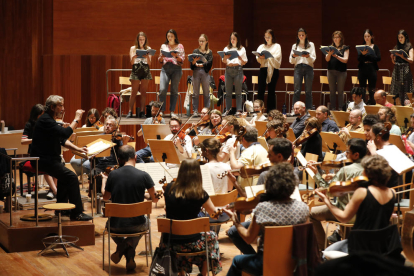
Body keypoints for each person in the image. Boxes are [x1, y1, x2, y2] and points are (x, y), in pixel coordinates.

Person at [224, 163, 309, 276]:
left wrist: (236, 222)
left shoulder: (263, 208)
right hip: (295, 264)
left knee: (237, 260)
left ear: (269, 185)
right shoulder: (303, 208)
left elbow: (249, 238)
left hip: (266, 263)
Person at [316, 155, 396, 258]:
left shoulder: (362, 192)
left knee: (325, 254)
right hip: (383, 247)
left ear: (368, 172)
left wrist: (327, 201)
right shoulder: (393, 193)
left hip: (360, 246)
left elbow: (344, 218)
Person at [30, 95, 92, 221]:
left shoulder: (49, 120)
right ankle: (77, 213)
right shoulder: (45, 120)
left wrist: (77, 149)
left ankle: (62, 210)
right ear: (52, 107)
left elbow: (61, 140)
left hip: (50, 159)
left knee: (64, 178)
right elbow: (65, 133)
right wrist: (76, 119)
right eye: (60, 105)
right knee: (72, 177)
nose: (63, 109)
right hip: (43, 161)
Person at [101, 145, 158, 271]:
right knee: (147, 222)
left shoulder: (113, 175)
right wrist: (151, 196)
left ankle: (122, 247)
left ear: (120, 159)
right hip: (137, 225)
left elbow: (105, 197)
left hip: (116, 225)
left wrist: (104, 180)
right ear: (135, 157)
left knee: (108, 226)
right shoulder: (144, 175)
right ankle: (129, 246)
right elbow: (154, 199)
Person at [162, 159, 222, 275]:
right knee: (212, 236)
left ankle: (182, 273)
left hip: (170, 241)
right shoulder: (200, 193)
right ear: (197, 173)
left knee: (180, 233)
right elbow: (214, 215)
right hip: (192, 242)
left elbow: (167, 208)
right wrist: (221, 209)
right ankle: (203, 274)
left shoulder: (169, 188)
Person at [308, 138, 367, 249]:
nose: (345, 153)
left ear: (356, 155)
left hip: (346, 213)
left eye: (348, 152)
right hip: (365, 213)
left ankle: (323, 248)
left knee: (311, 214)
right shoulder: (370, 167)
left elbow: (327, 190)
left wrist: (316, 173)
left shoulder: (345, 170)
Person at [21, 104, 57, 199]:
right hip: (34, 154)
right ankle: (55, 191)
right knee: (46, 165)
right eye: (41, 115)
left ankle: (52, 190)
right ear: (36, 115)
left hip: (46, 153)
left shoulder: (46, 125)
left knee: (58, 161)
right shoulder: (29, 125)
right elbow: (23, 141)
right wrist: (35, 139)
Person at [228, 126, 270, 195]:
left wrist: (231, 152)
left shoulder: (249, 151)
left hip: (250, 192)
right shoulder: (263, 149)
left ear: (243, 139)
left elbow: (235, 169)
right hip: (261, 189)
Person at [158, 29, 185, 116]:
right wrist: (161, 57)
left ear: (175, 37)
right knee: (162, 90)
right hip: (165, 68)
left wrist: (176, 56)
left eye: (171, 36)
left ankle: (172, 111)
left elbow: (182, 59)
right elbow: (160, 60)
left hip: (176, 68)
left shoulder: (180, 46)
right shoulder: (164, 46)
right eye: (168, 36)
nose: (169, 38)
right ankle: (162, 110)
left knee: (174, 90)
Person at [366, 122, 402, 188]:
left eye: (371, 137)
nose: (370, 140)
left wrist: (373, 152)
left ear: (378, 137)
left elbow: (380, 172)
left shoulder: (388, 152)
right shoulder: (393, 147)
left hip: (390, 191)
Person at [127, 32, 152, 119]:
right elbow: (131, 63)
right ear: (138, 40)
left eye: (143, 39)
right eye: (140, 39)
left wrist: (147, 57)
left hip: (145, 70)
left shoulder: (148, 48)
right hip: (136, 70)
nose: (142, 41)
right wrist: (134, 57)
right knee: (134, 92)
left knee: (143, 93)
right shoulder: (133, 48)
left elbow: (149, 63)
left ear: (145, 40)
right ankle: (130, 111)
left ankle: (142, 111)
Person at [289, 28, 316, 110]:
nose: (301, 36)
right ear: (297, 36)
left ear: (306, 35)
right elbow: (291, 61)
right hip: (298, 68)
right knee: (297, 90)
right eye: (299, 35)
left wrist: (308, 56)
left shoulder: (311, 44)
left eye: (302, 35)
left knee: (308, 91)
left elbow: (313, 59)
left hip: (308, 67)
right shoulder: (295, 46)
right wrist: (294, 56)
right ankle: (295, 110)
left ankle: (309, 109)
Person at [222, 32, 248, 116]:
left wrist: (240, 58)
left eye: (234, 39)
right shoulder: (226, 48)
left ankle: (239, 110)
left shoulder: (241, 49)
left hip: (238, 70)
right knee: (228, 92)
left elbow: (244, 63)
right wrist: (225, 58)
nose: (232, 40)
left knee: (238, 92)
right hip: (228, 70)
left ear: (237, 40)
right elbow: (224, 61)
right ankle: (228, 110)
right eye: (231, 39)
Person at [256, 29, 282, 112]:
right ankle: (259, 110)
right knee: (260, 90)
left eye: (269, 37)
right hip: (263, 68)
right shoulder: (261, 46)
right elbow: (257, 56)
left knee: (271, 91)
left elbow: (277, 56)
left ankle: (271, 111)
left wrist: (267, 57)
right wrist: (260, 57)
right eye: (265, 37)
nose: (267, 39)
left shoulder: (277, 46)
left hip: (273, 69)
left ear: (272, 37)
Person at [325, 31, 349, 110]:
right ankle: (333, 108)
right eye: (334, 37)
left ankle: (340, 108)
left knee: (340, 91)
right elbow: (327, 59)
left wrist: (336, 56)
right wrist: (329, 54)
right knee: (332, 91)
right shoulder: (330, 47)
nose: (335, 39)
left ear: (340, 38)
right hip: (331, 71)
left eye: (337, 37)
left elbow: (345, 60)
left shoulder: (345, 47)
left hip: (341, 72)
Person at [190, 34, 213, 116]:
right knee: (195, 93)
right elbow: (192, 64)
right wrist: (194, 61)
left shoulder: (209, 52)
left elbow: (209, 64)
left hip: (205, 72)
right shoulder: (195, 51)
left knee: (206, 92)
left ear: (206, 42)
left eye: (203, 41)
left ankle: (206, 110)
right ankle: (195, 111)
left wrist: (202, 65)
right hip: (196, 71)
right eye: (200, 41)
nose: (201, 42)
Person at [390, 29, 414, 106]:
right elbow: (394, 62)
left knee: (406, 87)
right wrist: (392, 58)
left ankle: (406, 105)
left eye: (402, 37)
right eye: (399, 37)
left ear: (405, 37)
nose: (400, 39)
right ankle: (397, 104)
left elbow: (411, 60)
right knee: (397, 88)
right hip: (397, 68)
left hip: (405, 68)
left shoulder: (409, 46)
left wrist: (402, 57)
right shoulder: (396, 46)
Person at [357, 29, 381, 105]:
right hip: (363, 68)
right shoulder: (361, 47)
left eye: (368, 36)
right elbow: (358, 59)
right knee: (362, 88)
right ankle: (363, 104)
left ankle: (372, 103)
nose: (366, 38)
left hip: (371, 68)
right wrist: (363, 54)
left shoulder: (375, 47)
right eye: (365, 36)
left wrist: (369, 55)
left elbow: (378, 58)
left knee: (372, 88)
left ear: (371, 37)